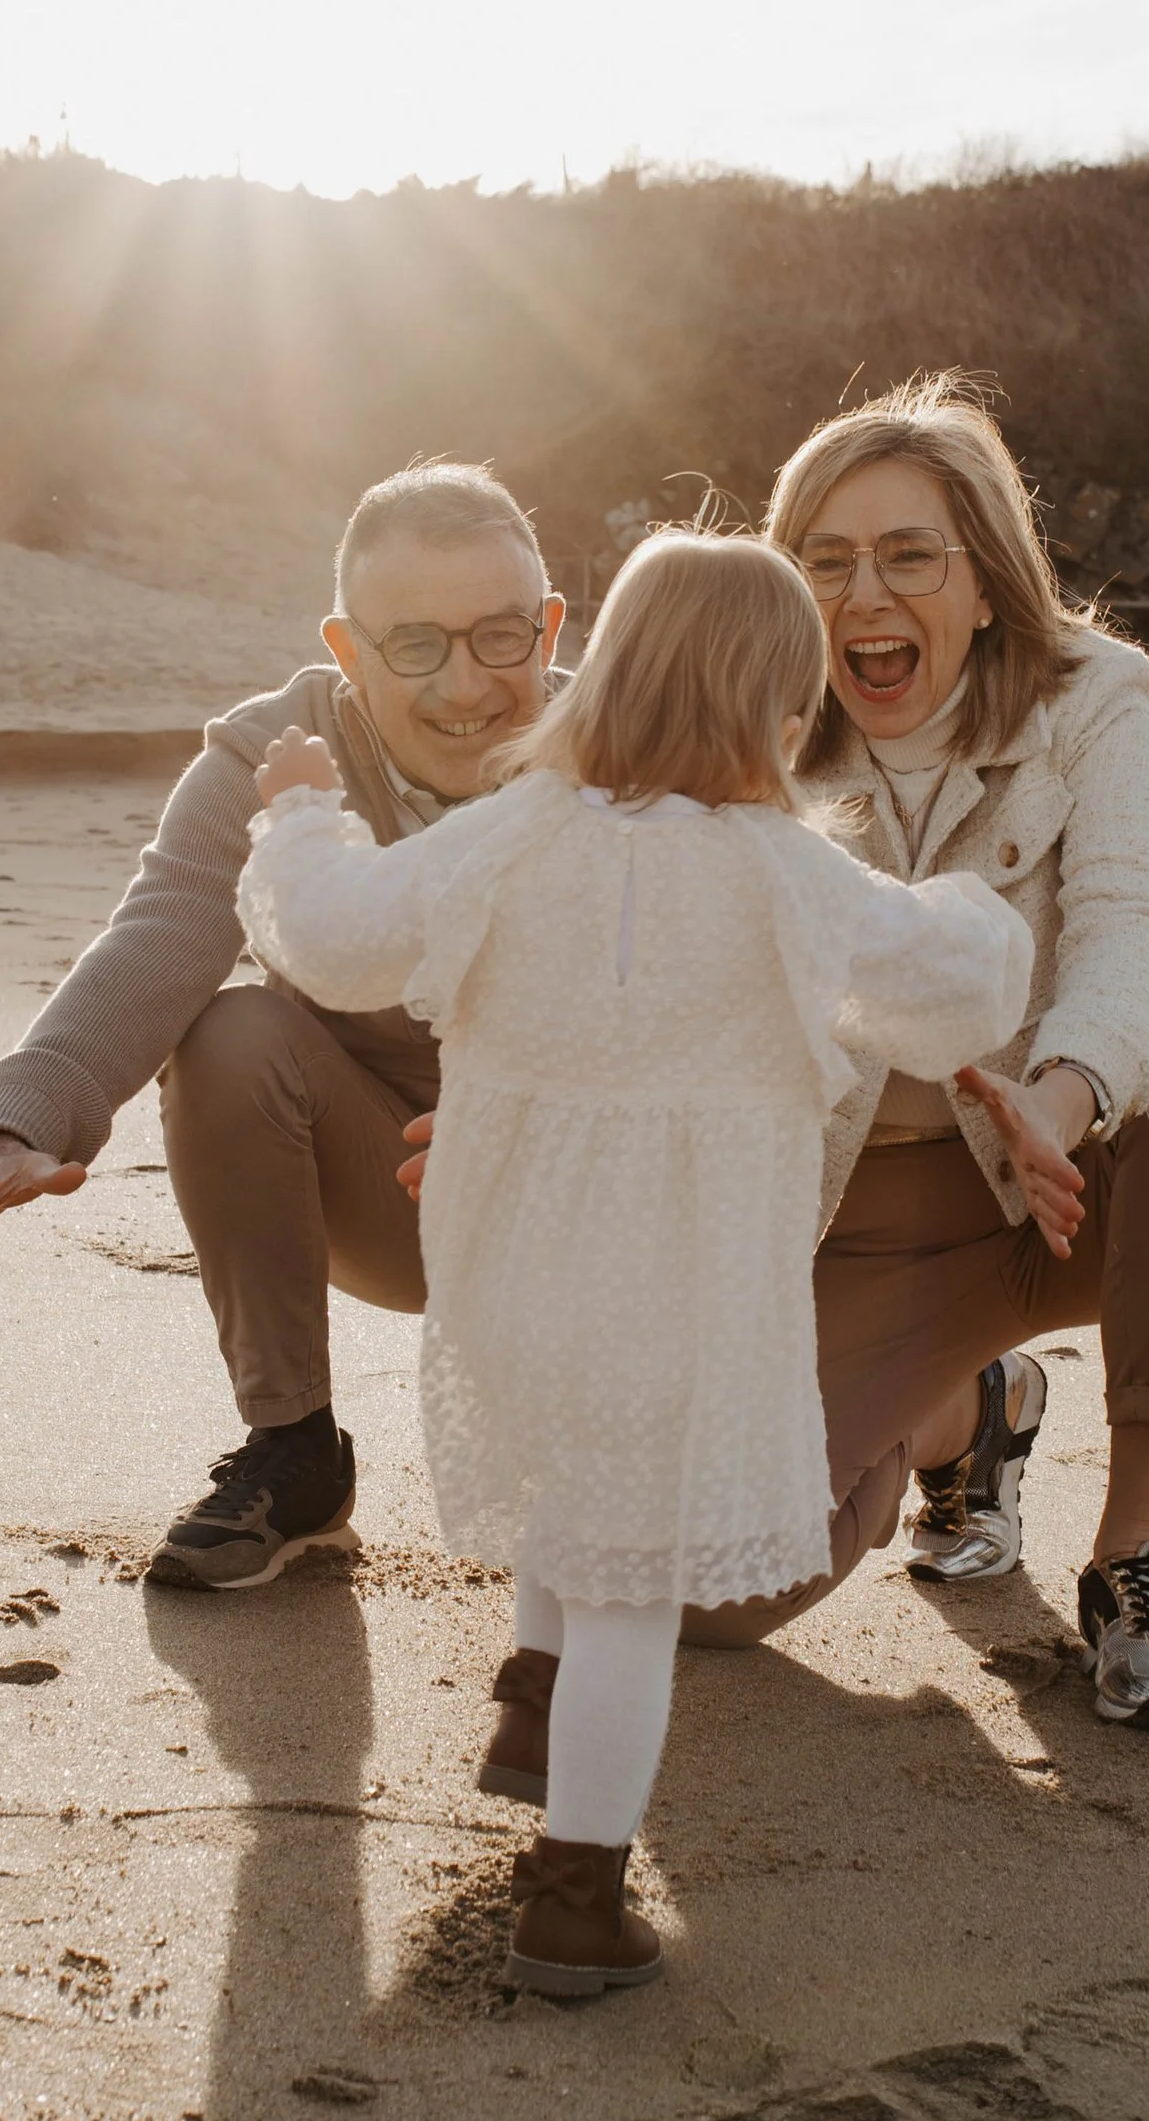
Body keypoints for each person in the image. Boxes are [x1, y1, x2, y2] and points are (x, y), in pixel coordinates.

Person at [235, 530, 1031, 1996]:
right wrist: (971, 895)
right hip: (690, 1288)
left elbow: (336, 940)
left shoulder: (511, 827)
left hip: (511, 1266)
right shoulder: (787, 869)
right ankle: (576, 1897)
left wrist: (298, 821)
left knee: (563, 1492)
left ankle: (532, 1707)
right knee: (630, 1589)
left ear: (599, 670)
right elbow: (953, 991)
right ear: (782, 713)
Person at [672, 374, 1149, 1736]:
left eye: (908, 556)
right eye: (824, 560)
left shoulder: (1094, 697)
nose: (863, 596)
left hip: (1051, 1184)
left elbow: (1133, 931)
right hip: (843, 1216)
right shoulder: (739, 717)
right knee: (712, 1601)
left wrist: (1059, 1100)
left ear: (988, 580)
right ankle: (967, 1416)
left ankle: (1137, 1552)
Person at [0, 462, 566, 1586]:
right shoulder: (273, 756)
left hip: (598, 1208)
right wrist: (14, 1123)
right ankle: (295, 1454)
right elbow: (160, 937)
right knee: (227, 1035)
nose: (467, 687)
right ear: (347, 652)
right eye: (414, 646)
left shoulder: (631, 752)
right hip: (390, 1186)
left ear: (550, 627)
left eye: (500, 638)